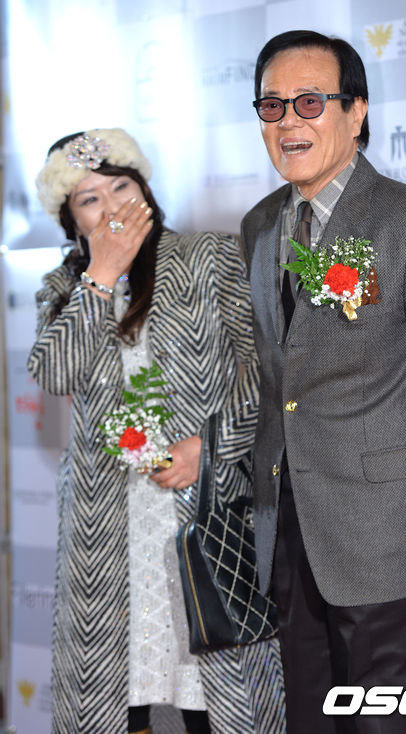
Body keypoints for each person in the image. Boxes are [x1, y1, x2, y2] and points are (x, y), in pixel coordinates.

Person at [241, 29, 406, 734]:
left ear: (355, 113)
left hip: (393, 544)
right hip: (292, 544)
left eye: (310, 102)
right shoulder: (261, 226)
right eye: (271, 105)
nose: (288, 120)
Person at [28, 128, 285, 734]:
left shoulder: (207, 256)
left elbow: (265, 371)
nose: (111, 206)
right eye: (89, 198)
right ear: (71, 221)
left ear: (144, 189)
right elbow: (56, 374)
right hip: (107, 524)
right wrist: (102, 274)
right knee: (117, 698)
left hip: (204, 507)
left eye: (121, 186)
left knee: (215, 693)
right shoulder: (65, 288)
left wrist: (211, 448)